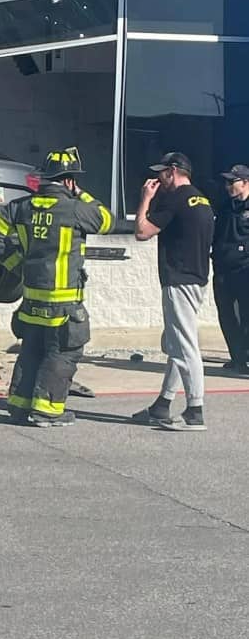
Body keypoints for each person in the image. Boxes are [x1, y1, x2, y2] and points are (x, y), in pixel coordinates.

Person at [0, 147, 114, 427]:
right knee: (64, 352)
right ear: (68, 180)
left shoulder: (20, 207)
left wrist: (17, 266)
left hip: (31, 299)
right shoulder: (76, 209)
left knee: (32, 350)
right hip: (64, 303)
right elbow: (107, 220)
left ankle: (19, 407)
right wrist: (82, 194)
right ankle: (47, 410)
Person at [133, 152, 214, 431]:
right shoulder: (202, 200)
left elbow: (142, 231)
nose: (158, 178)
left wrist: (145, 199)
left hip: (179, 278)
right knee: (176, 344)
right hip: (197, 277)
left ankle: (195, 411)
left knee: (185, 346)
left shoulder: (175, 199)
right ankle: (162, 404)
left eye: (162, 172)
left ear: (173, 171)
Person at [212, 164, 249, 376]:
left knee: (246, 316)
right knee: (226, 315)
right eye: (226, 182)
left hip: (244, 270)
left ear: (245, 182)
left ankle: (246, 356)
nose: (227, 186)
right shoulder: (225, 206)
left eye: (231, 182)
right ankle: (237, 358)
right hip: (223, 269)